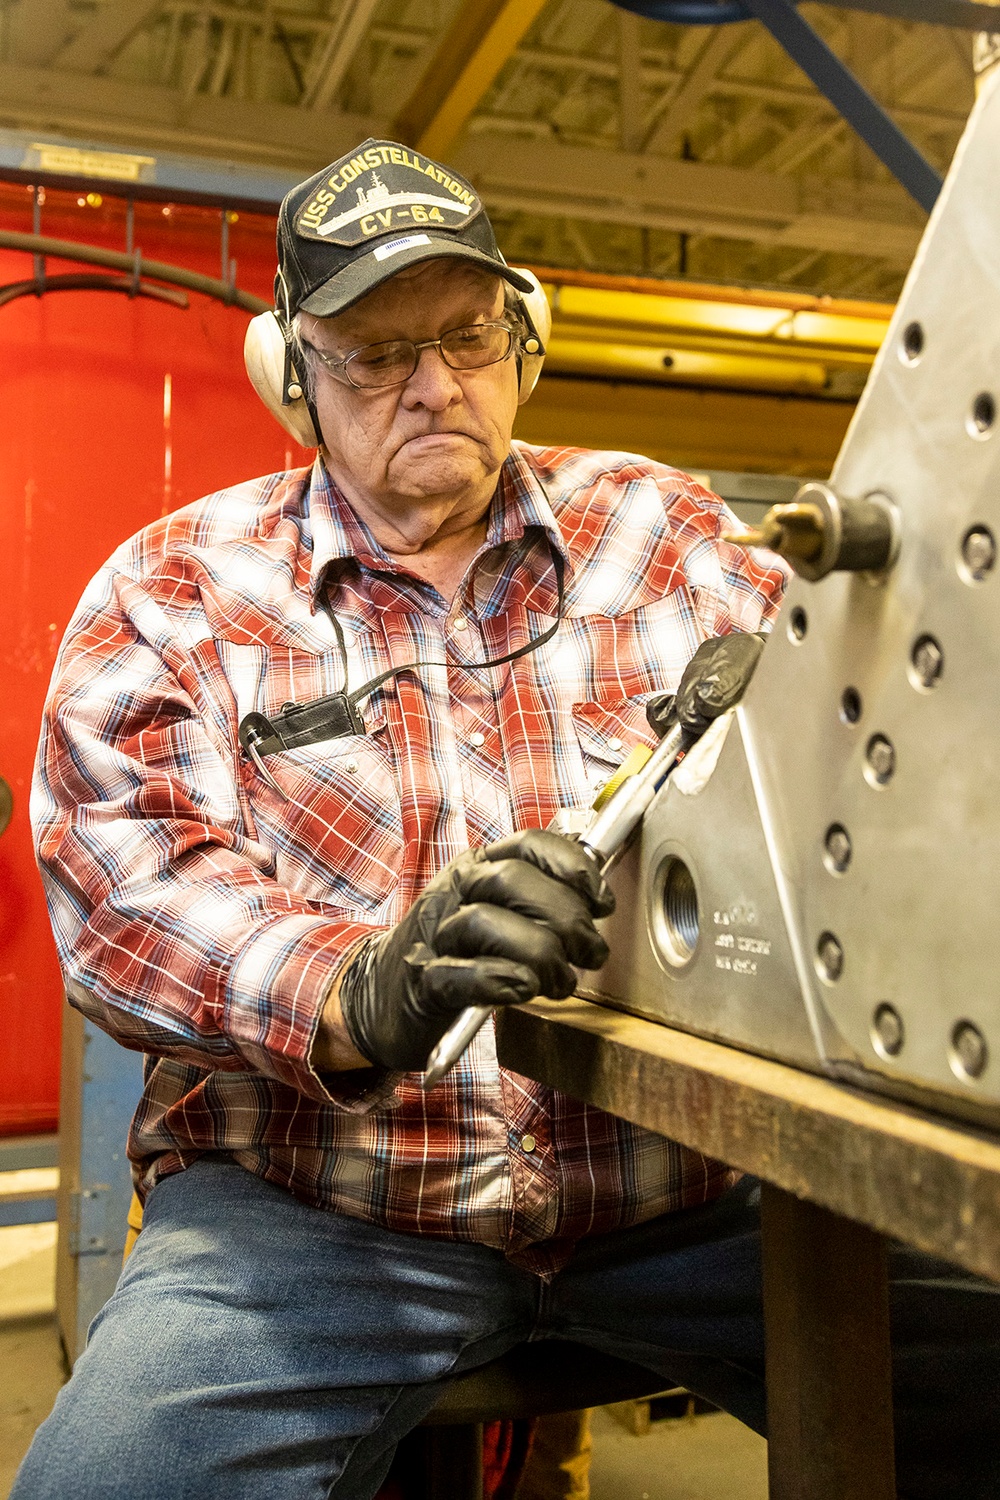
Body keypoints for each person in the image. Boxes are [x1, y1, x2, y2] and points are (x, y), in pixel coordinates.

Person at [17, 141, 1000, 1500]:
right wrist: (369, 984)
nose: (434, 382)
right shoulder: (176, 594)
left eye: (468, 334)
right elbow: (128, 895)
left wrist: (811, 691)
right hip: (327, 1212)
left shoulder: (667, 539)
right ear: (290, 376)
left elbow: (867, 759)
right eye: (373, 350)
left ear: (521, 338)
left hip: (679, 1201)